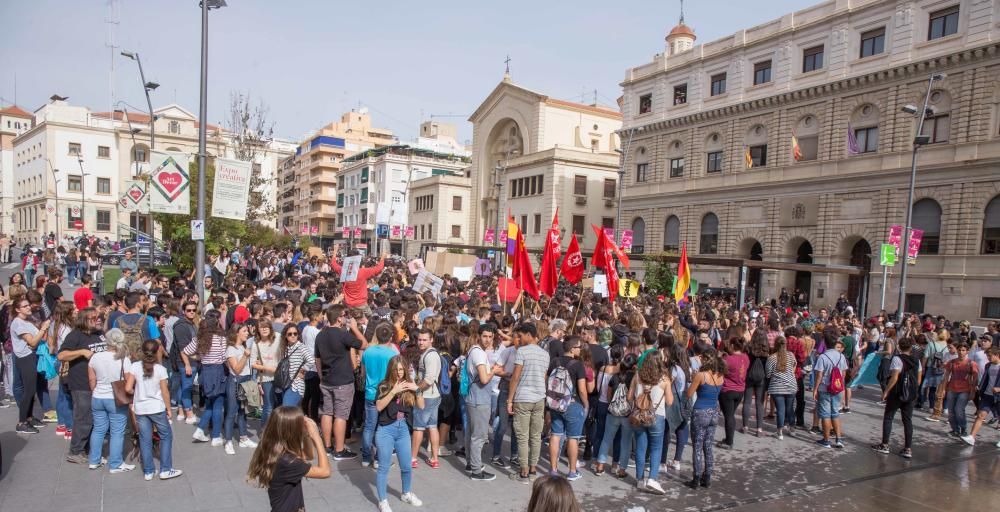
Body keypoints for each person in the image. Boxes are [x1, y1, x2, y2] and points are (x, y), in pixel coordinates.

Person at [247, 406, 331, 512]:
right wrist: (316, 436)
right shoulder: (288, 462)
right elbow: (325, 472)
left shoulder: (275, 450)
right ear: (292, 430)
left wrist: (306, 435)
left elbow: (308, 455)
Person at [314, 304, 366, 460]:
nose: (346, 318)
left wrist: (321, 377)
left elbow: (317, 358)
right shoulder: (342, 334)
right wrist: (355, 328)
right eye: (344, 315)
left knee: (327, 412)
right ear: (339, 318)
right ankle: (339, 449)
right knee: (341, 415)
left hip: (326, 380)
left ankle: (328, 446)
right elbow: (364, 344)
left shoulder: (320, 335)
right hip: (343, 380)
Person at [126, 339, 183, 480]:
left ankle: (148, 471)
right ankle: (166, 469)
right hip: (157, 407)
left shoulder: (135, 366)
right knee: (166, 435)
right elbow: (165, 392)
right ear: (157, 351)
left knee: (145, 439)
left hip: (140, 408)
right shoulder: (160, 370)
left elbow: (127, 388)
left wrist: (138, 393)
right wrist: (169, 409)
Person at [373, 356, 424, 512]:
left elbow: (421, 406)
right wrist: (393, 391)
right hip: (386, 429)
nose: (399, 372)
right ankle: (383, 501)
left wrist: (417, 389)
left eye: (401, 369)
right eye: (396, 369)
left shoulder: (409, 385)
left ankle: (406, 493)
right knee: (384, 467)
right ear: (391, 370)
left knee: (407, 466)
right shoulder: (383, 385)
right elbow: (379, 407)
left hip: (403, 429)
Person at [58, 307, 107, 463]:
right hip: (81, 384)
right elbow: (61, 355)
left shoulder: (100, 334)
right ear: (84, 320)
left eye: (99, 316)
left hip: (99, 383)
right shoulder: (75, 336)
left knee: (96, 418)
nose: (99, 319)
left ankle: (89, 449)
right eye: (94, 318)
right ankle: (75, 451)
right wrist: (81, 352)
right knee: (83, 418)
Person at [508, 322, 550, 483]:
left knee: (523, 436)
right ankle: (533, 469)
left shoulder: (522, 352)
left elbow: (515, 377)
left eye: (520, 336)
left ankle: (523, 471)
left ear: (528, 334)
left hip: (523, 398)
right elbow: (544, 377)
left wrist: (509, 400)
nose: (519, 339)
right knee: (535, 436)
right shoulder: (545, 354)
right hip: (539, 397)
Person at [87, 329, 134, 472]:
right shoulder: (123, 359)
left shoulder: (95, 357)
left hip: (98, 396)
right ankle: (115, 463)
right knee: (117, 432)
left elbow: (91, 379)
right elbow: (128, 382)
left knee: (98, 429)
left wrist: (94, 391)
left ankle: (94, 460)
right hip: (115, 399)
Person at [546, 335, 589, 481]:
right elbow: (582, 389)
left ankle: (553, 469)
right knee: (573, 438)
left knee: (555, 435)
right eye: (579, 347)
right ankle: (572, 471)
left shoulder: (554, 361)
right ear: (572, 349)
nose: (580, 350)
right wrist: (585, 404)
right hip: (572, 404)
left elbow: (548, 381)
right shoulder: (577, 365)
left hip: (555, 404)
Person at [872, 336, 922, 458]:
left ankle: (885, 445)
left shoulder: (897, 359)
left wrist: (886, 391)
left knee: (889, 417)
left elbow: (894, 377)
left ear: (899, 347)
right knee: (907, 420)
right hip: (911, 394)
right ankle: (908, 449)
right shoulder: (917, 361)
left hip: (897, 393)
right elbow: (918, 380)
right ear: (911, 348)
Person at [630, 351, 672, 494]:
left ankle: (640, 479)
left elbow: (630, 397)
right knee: (656, 447)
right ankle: (652, 479)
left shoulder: (637, 376)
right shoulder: (664, 380)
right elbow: (670, 401)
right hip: (657, 416)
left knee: (640, 448)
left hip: (639, 416)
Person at [184, 310, 228, 445]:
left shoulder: (199, 339)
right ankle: (215, 435)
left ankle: (201, 429)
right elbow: (224, 357)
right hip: (218, 371)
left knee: (210, 403)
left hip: (205, 372)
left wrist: (200, 357)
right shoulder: (221, 338)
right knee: (218, 404)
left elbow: (185, 351)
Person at [359, 322, 399, 467]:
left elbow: (363, 372)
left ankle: (365, 457)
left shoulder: (368, 351)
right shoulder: (393, 353)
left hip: (370, 393)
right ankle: (379, 459)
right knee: (383, 427)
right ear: (390, 337)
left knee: (369, 426)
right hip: (386, 395)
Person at [11, 296, 50, 434]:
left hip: (33, 356)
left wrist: (42, 330)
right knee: (29, 390)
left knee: (32, 390)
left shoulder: (27, 321)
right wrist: (43, 328)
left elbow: (40, 338)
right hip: (25, 358)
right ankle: (21, 422)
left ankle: (29, 417)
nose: (29, 308)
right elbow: (33, 342)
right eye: (25, 306)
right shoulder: (18, 323)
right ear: (17, 309)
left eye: (28, 305)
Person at [686, 348, 724, 489]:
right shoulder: (720, 375)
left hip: (700, 411)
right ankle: (707, 477)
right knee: (708, 446)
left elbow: (689, 394)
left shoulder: (701, 375)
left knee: (697, 445)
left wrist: (692, 379)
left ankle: (696, 478)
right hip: (714, 411)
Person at [464, 323, 497, 481]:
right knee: (479, 436)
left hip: (473, 398)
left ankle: (471, 463)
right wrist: (494, 371)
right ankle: (476, 471)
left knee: (471, 433)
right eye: (485, 336)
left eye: (490, 337)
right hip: (479, 399)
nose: (488, 340)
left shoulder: (473, 350)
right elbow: (484, 379)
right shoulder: (479, 354)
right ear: (479, 336)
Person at [224, 323, 258, 455]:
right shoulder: (231, 349)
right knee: (232, 412)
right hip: (236, 382)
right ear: (237, 333)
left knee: (243, 411)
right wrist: (245, 356)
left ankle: (243, 438)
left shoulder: (243, 346)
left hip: (246, 381)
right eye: (244, 331)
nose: (247, 333)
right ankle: (228, 441)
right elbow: (236, 369)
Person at [411, 328, 442, 469]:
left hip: (426, 396)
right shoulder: (429, 354)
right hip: (433, 395)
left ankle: (412, 458)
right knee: (432, 426)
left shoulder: (430, 356)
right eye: (419, 339)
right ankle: (434, 459)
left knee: (418, 427)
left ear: (431, 340)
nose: (421, 342)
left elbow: (429, 379)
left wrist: (416, 390)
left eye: (424, 340)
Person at [960, 347, 1000, 447]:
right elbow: (986, 378)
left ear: (997, 355)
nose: (988, 358)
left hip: (998, 396)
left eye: (990, 356)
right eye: (987, 356)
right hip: (987, 395)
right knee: (980, 415)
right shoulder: (988, 365)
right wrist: (980, 387)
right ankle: (972, 437)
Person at [330, 245, 385, 316]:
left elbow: (333, 264)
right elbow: (379, 268)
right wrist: (383, 257)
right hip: (361, 305)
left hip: (348, 305)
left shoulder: (343, 271)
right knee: (371, 321)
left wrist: (335, 251)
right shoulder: (363, 272)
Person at [813, 337, 848, 449]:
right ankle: (838, 440)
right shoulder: (841, 356)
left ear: (826, 344)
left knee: (825, 415)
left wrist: (815, 388)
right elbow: (843, 374)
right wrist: (841, 387)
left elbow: (819, 375)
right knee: (835, 413)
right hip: (837, 388)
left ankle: (826, 440)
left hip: (825, 388)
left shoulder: (823, 357)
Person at [941, 342, 978, 437]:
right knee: (951, 412)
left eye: (963, 350)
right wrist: (944, 389)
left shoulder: (971, 363)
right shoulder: (952, 362)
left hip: (965, 390)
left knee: (959, 410)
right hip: (951, 389)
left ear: (967, 351)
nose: (961, 352)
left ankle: (963, 428)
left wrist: (973, 392)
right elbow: (946, 376)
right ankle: (955, 429)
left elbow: (975, 378)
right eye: (959, 350)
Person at [717, 337, 748, 449]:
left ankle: (729, 441)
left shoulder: (728, 359)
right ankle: (729, 438)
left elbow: (719, 370)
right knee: (731, 415)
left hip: (728, 390)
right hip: (740, 390)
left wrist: (720, 356)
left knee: (729, 416)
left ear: (733, 346)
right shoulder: (746, 357)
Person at [173, 301, 199, 424]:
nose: (192, 312)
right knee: (187, 388)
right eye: (189, 310)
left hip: (191, 360)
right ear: (183, 311)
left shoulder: (191, 323)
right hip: (186, 362)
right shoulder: (181, 326)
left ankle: (181, 410)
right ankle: (189, 413)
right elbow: (182, 347)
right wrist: (187, 364)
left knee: (183, 386)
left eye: (194, 310)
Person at [766, 337, 797, 439]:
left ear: (775, 345)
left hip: (777, 387)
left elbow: (768, 374)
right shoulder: (791, 355)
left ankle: (780, 432)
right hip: (791, 385)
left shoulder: (771, 358)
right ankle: (792, 429)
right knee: (790, 408)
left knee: (780, 409)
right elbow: (794, 365)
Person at [251, 321, 280, 427]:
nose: (264, 329)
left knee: (279, 405)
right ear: (258, 329)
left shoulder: (277, 337)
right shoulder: (256, 343)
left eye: (266, 327)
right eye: (261, 327)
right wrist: (267, 368)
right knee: (268, 406)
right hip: (266, 378)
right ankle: (264, 431)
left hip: (280, 376)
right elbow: (253, 363)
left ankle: (276, 430)